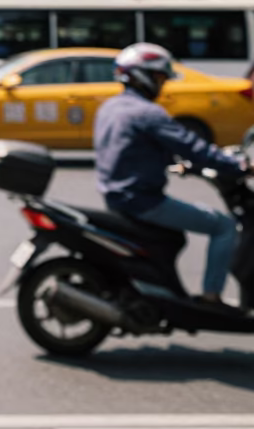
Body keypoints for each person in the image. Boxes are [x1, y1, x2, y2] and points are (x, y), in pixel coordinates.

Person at [95, 42, 245, 307]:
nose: (162, 86)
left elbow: (135, 149)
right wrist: (240, 165)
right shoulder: (147, 113)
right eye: (160, 79)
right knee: (223, 226)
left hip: (116, 196)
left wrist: (176, 161)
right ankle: (212, 298)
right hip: (142, 201)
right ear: (143, 76)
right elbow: (193, 147)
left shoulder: (111, 107)